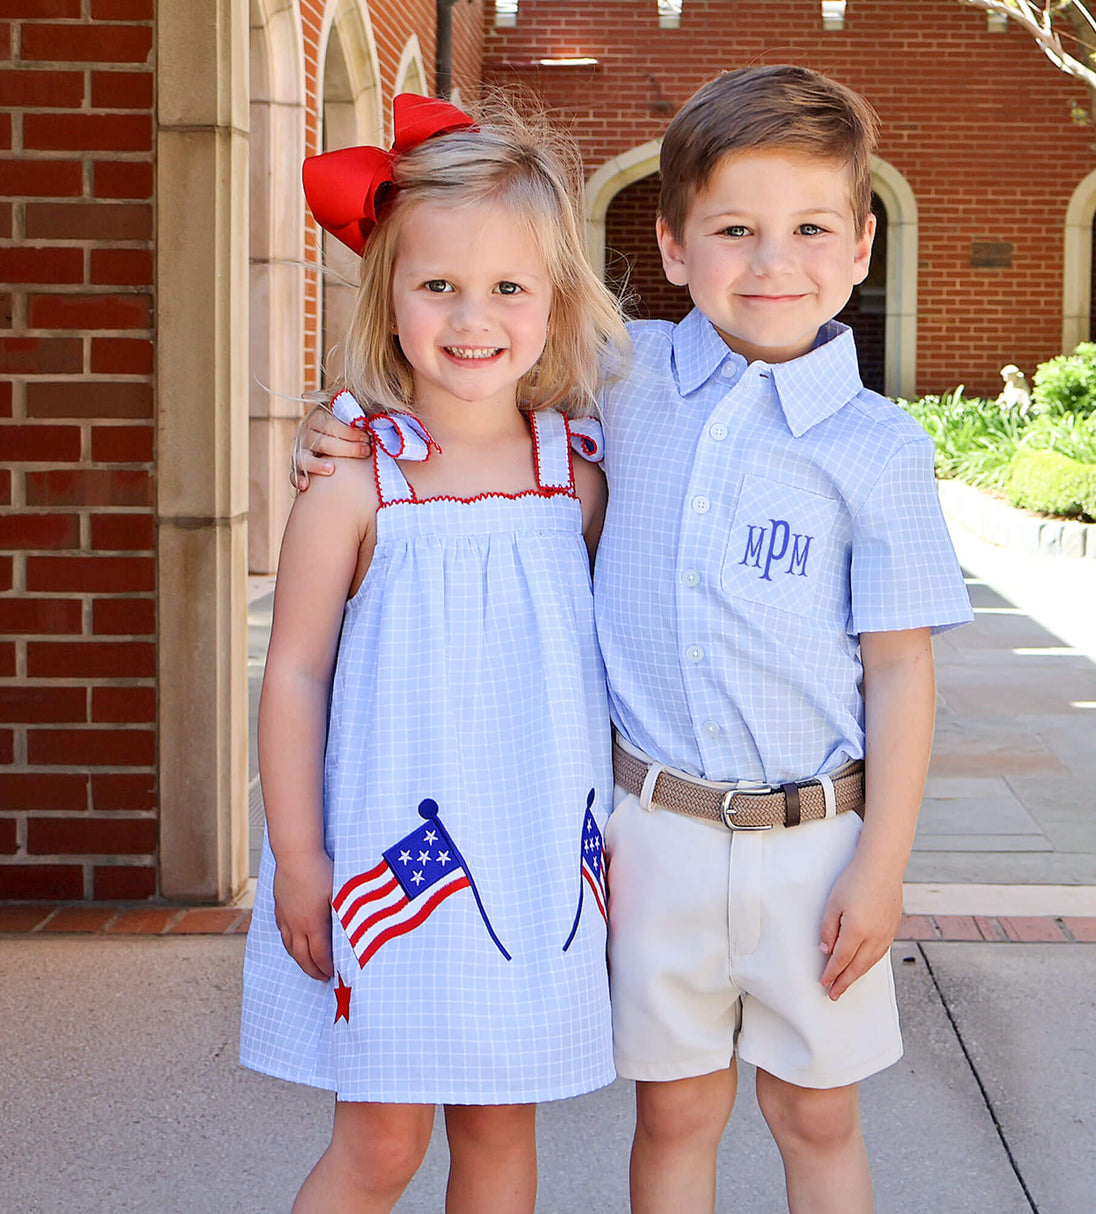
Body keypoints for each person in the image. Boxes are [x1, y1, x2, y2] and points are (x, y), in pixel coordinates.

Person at [297, 67, 974, 1214]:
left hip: (815, 841)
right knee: (674, 1112)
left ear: (862, 244)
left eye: (810, 228)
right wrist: (343, 422)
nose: (771, 262)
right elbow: (477, 372)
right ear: (670, 244)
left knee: (816, 1112)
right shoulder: (623, 376)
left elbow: (901, 667)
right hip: (650, 831)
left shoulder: (879, 449)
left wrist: (881, 865)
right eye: (733, 229)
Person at [241, 93, 629, 1214]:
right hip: (394, 855)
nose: (473, 317)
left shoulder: (579, 478)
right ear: (387, 296)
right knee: (381, 1145)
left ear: (556, 301)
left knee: (502, 1134)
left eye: (509, 287)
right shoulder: (353, 483)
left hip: (530, 859)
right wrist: (299, 854)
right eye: (438, 286)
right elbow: (297, 672)